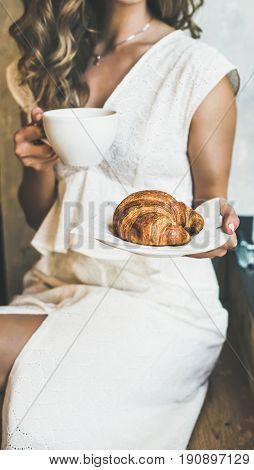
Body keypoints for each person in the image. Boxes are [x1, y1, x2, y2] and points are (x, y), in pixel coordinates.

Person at [0, 0, 240, 449]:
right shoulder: (47, 62)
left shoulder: (197, 72)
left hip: (160, 306)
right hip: (60, 287)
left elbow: (209, 205)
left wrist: (217, 227)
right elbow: (38, 215)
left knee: (41, 412)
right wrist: (36, 166)